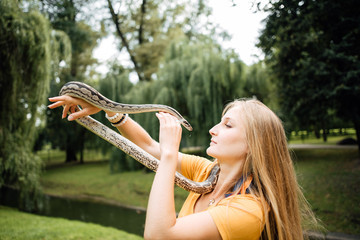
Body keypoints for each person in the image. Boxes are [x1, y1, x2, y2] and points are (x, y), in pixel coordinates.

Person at [48, 95, 317, 240]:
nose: (212, 130)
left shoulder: (249, 209)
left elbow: (159, 235)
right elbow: (151, 147)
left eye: (227, 125)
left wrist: (168, 155)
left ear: (253, 145)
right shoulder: (208, 171)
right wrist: (109, 110)